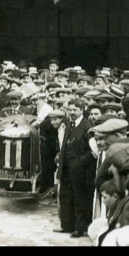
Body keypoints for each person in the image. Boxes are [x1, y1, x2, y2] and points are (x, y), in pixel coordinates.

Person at [55, 99, 95, 238]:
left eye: (75, 110)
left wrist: (80, 162)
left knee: (79, 198)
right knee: (66, 196)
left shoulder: (87, 126)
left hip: (80, 170)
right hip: (66, 167)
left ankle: (80, 228)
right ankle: (66, 225)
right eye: (70, 110)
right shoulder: (68, 124)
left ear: (82, 110)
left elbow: (93, 151)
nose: (72, 113)